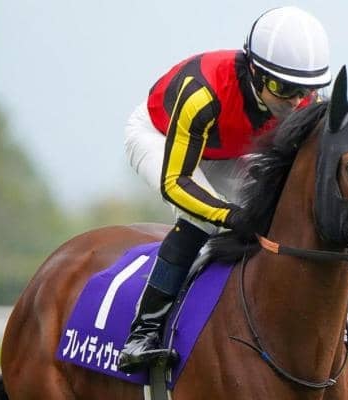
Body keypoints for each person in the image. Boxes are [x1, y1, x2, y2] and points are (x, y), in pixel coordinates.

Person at [119, 6, 332, 373]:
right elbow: (176, 182)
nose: (295, 102)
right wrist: (230, 215)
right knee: (202, 220)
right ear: (254, 70)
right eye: (283, 88)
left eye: (304, 91)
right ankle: (142, 333)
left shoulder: (304, 102)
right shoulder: (201, 93)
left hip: (227, 150)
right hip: (160, 136)